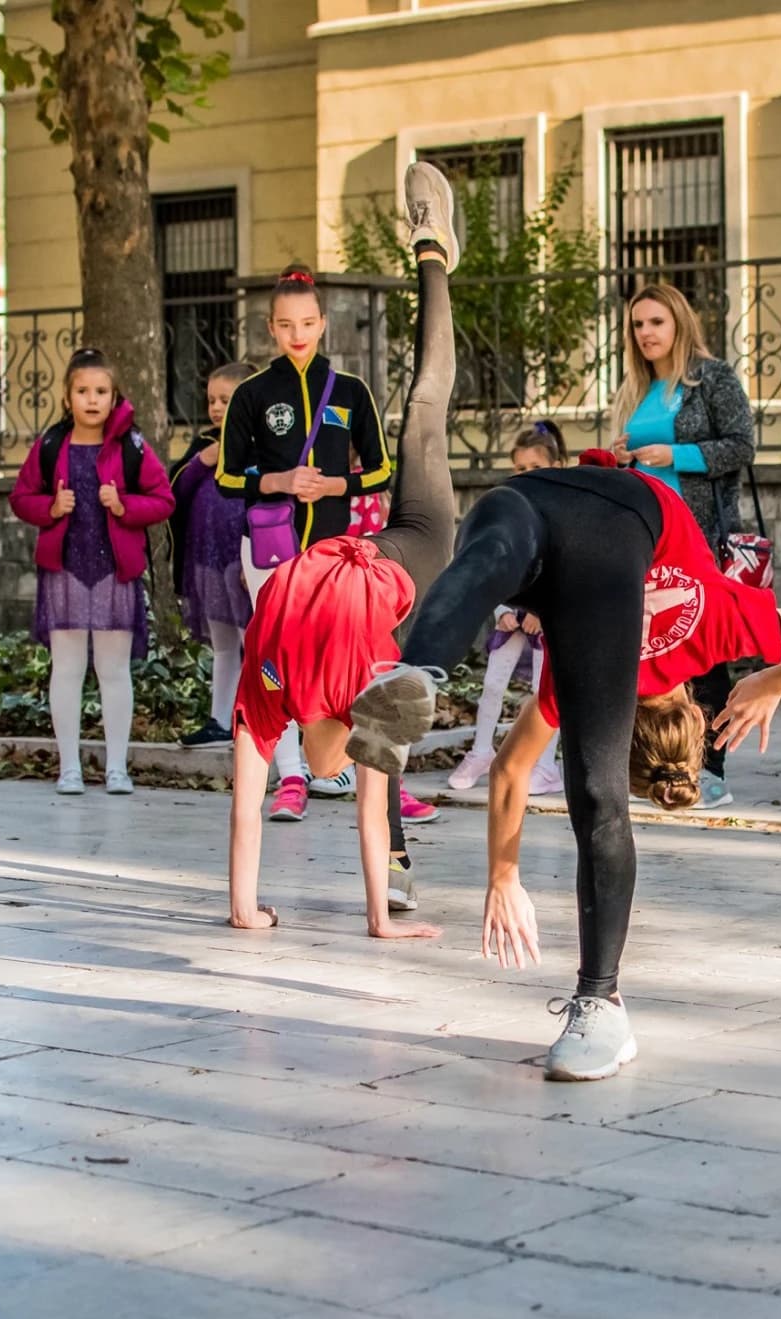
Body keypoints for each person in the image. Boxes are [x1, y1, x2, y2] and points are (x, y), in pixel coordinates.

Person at [345, 461, 781, 1081]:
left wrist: (771, 679)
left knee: (491, 557)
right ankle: (600, 1000)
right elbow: (511, 772)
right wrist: (503, 879)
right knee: (599, 797)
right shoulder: (589, 673)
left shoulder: (720, 627)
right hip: (608, 536)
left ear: (692, 709)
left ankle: (417, 667)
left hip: (538, 496)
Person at [223, 160, 463, 938]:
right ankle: (430, 250)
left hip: (414, 549)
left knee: (426, 404)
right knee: (424, 405)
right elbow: (248, 806)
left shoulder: (362, 685)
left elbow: (364, 805)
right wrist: (242, 907)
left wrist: (379, 923)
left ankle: (433, 251)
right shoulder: (269, 685)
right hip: (367, 552)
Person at [220, 265, 391, 823]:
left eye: (308, 323)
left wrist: (336, 485)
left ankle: (345, 767)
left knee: (337, 659)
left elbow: (382, 470)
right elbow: (226, 477)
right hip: (270, 551)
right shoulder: (252, 393)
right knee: (274, 663)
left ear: (323, 324)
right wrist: (280, 481)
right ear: (271, 327)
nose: (298, 334)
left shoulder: (350, 391)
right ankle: (290, 776)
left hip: (333, 554)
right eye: (287, 324)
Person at [610, 282, 756, 809]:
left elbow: (742, 446)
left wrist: (676, 455)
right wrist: (623, 457)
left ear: (679, 324)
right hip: (647, 541)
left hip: (697, 537)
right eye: (638, 324)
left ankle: (711, 769)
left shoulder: (711, 378)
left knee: (706, 653)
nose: (645, 333)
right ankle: (658, 763)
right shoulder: (637, 387)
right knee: (660, 652)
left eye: (656, 322)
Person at [10, 349, 174, 796]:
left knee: (114, 670)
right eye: (82, 391)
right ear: (67, 398)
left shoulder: (131, 446)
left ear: (114, 396)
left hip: (113, 574)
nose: (92, 399)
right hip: (65, 571)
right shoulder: (50, 444)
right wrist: (50, 507)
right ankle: (69, 768)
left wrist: (123, 505)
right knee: (66, 669)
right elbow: (21, 497)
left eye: (101, 391)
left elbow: (163, 499)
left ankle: (117, 767)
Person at [447, 421, 569, 796]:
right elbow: (497, 560)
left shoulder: (564, 512)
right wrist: (501, 607)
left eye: (535, 467)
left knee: (542, 692)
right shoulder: (509, 507)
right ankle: (482, 751)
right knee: (493, 684)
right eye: (519, 467)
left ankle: (545, 765)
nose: (526, 474)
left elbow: (564, 565)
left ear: (557, 465)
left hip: (544, 617)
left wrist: (541, 611)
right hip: (510, 611)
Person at [170, 361, 256, 751]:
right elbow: (176, 492)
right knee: (222, 642)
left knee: (251, 639)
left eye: (226, 399)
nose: (216, 408)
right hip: (206, 557)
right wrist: (201, 462)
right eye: (211, 400)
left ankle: (255, 718)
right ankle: (220, 719)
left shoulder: (261, 446)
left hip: (243, 557)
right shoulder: (205, 445)